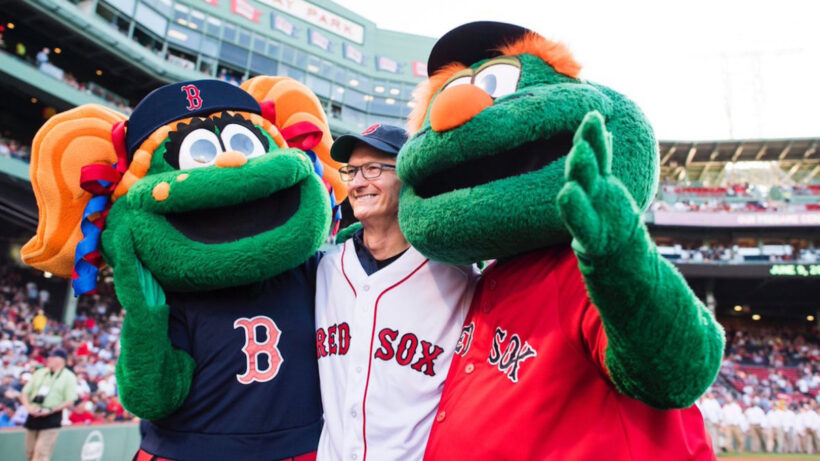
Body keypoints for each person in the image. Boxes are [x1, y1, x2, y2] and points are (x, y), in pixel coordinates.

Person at [314, 124, 475, 460]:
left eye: (373, 169)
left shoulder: (457, 278)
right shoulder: (325, 270)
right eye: (352, 171)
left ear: (408, 177)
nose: (357, 183)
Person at [20, 348, 77, 461]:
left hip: (51, 416)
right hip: (34, 413)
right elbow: (25, 393)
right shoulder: (40, 373)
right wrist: (28, 407)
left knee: (42, 453)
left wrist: (51, 410)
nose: (48, 359)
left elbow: (70, 400)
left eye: (52, 357)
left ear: (61, 360)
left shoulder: (68, 377)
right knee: (30, 452)